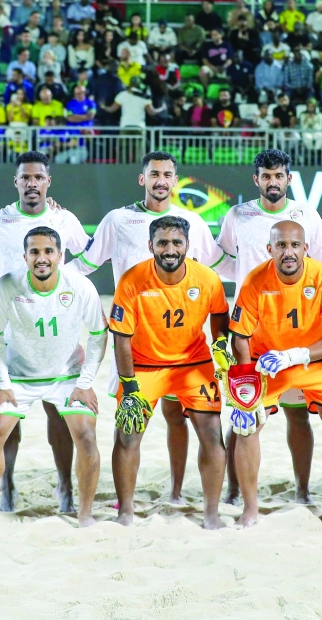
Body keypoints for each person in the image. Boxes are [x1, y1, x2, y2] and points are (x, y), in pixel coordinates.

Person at [74, 152, 226, 506]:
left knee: (177, 417)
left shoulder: (192, 222)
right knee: (128, 426)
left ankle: (175, 491)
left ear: (175, 181)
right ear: (142, 179)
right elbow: (83, 265)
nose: (161, 180)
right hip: (134, 347)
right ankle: (125, 501)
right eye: (154, 174)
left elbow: (219, 268)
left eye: (167, 174)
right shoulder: (118, 219)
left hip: (183, 346)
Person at [0, 151, 89, 511]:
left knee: (58, 414)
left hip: (57, 333)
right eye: (25, 177)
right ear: (16, 182)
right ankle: (7, 486)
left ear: (48, 182)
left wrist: (70, 286)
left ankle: (65, 486)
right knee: (6, 413)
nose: (31, 183)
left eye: (38, 177)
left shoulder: (64, 219)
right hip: (10, 336)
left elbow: (90, 255)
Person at [216, 149, 322, 505]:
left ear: (288, 178)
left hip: (297, 331)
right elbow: (223, 259)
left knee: (297, 415)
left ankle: (302, 490)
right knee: (243, 416)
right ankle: (234, 490)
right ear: (256, 179)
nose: (273, 181)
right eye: (266, 176)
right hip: (250, 332)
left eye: (279, 175)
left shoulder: (306, 215)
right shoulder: (238, 215)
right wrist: (248, 282)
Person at [0, 226, 106, 526]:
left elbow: (99, 335)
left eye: (48, 251)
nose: (41, 258)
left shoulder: (80, 286)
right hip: (18, 374)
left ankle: (83, 512)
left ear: (61, 256)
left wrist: (85, 383)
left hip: (66, 374)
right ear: (24, 256)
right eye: (34, 252)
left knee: (86, 435)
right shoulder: (7, 285)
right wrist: (3, 383)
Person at [109, 216, 230, 529]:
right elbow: (120, 338)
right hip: (144, 366)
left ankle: (211, 513)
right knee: (127, 434)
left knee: (212, 434)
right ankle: (125, 511)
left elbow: (220, 314)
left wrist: (220, 343)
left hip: (193, 364)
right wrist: (129, 387)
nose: (170, 249)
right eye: (162, 243)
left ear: (187, 245)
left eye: (177, 242)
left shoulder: (207, 278)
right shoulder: (132, 280)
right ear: (150, 246)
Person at [227, 220, 322, 527]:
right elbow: (239, 337)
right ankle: (250, 508)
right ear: (269, 249)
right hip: (266, 362)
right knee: (246, 424)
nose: (288, 252)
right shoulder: (255, 280)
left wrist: (295, 355)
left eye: (295, 245)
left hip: (315, 360)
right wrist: (245, 380)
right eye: (281, 245)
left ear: (306, 248)